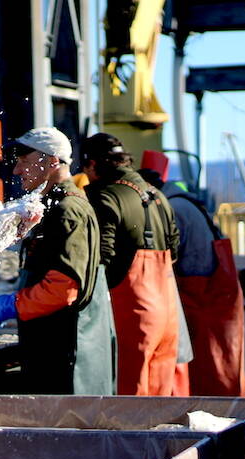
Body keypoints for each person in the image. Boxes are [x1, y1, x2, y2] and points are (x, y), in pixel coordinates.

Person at [0, 127, 116, 395]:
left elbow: (63, 288)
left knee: (66, 431)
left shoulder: (67, 210)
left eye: (24, 161)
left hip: (65, 352)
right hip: (55, 344)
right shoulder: (52, 205)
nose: (16, 171)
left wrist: (13, 304)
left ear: (52, 162)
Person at [82, 133, 181, 396]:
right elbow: (174, 249)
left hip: (132, 317)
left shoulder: (106, 197)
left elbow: (101, 258)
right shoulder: (158, 195)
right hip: (168, 314)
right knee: (159, 407)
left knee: (128, 408)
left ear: (92, 164)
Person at [140, 166, 245, 396]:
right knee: (224, 370)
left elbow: (170, 257)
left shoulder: (172, 208)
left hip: (202, 297)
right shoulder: (187, 202)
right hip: (219, 294)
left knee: (208, 373)